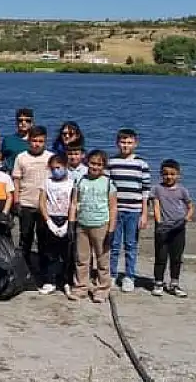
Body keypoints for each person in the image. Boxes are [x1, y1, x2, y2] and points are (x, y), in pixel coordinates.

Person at [69, 150, 117, 303]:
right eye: (92, 163)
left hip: (101, 225)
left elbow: (113, 207)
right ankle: (81, 287)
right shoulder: (80, 181)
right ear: (87, 163)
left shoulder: (108, 183)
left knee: (102, 259)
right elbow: (74, 203)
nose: (95, 167)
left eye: (99, 164)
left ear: (103, 166)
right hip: (82, 224)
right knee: (82, 259)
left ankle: (102, 288)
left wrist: (111, 229)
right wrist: (71, 223)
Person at [108, 128, 151, 293]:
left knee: (131, 245)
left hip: (134, 211)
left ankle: (129, 276)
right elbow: (108, 186)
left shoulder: (141, 164)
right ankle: (111, 274)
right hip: (115, 210)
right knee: (114, 244)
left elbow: (145, 190)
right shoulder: (111, 162)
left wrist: (144, 214)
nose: (125, 145)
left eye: (129, 142)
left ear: (135, 143)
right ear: (117, 143)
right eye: (123, 142)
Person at [150, 159, 194, 298]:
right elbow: (156, 206)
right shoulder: (157, 189)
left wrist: (186, 218)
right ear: (161, 174)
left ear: (178, 175)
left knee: (176, 257)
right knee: (161, 257)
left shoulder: (182, 190)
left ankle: (174, 283)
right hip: (163, 227)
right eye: (166, 174)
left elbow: (190, 206)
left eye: (172, 174)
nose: (169, 177)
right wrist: (159, 222)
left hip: (178, 228)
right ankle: (158, 282)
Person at [12, 125, 53, 264]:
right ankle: (24, 268)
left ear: (45, 141)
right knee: (25, 238)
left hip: (45, 206)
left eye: (41, 141)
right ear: (29, 140)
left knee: (44, 239)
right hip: (26, 203)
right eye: (34, 140)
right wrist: (16, 201)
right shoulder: (21, 157)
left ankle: (43, 270)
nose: (37, 144)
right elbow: (16, 180)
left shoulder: (50, 157)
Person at [38, 154, 73, 295]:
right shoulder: (47, 182)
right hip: (51, 218)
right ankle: (50, 280)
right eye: (52, 169)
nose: (55, 171)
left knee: (67, 253)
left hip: (66, 218)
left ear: (65, 167)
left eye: (58, 168)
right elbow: (42, 202)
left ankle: (66, 280)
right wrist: (48, 221)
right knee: (50, 253)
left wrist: (68, 223)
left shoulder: (72, 182)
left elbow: (74, 203)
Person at [0, 108, 34, 175]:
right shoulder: (8, 140)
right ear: (16, 122)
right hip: (11, 177)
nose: (23, 123)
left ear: (32, 123)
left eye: (27, 120)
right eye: (20, 120)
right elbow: (1, 159)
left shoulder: (36, 141)